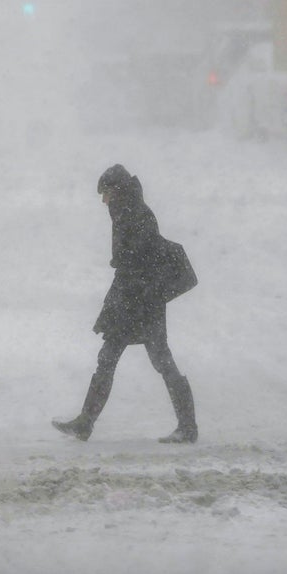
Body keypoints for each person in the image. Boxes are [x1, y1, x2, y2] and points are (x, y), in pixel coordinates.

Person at [52, 163, 198, 444]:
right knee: (110, 359)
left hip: (141, 302)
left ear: (117, 190)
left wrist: (135, 287)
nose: (103, 200)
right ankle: (86, 421)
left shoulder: (137, 214)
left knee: (161, 362)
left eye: (104, 193)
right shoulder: (125, 212)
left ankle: (188, 426)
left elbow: (143, 260)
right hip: (132, 300)